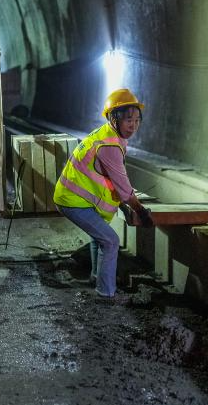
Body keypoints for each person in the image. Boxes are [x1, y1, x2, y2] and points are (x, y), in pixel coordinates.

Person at [53, 88, 150, 301]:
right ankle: (106, 293)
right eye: (127, 120)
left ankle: (96, 276)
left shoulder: (107, 135)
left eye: (136, 120)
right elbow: (124, 189)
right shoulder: (109, 147)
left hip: (74, 196)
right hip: (73, 201)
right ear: (113, 119)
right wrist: (140, 210)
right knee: (111, 241)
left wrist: (128, 200)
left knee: (100, 237)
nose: (133, 125)